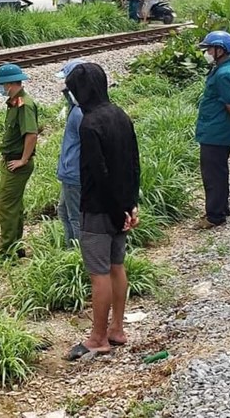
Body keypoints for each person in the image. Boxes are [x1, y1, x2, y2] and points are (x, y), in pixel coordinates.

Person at [63, 62, 140, 360]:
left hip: (98, 209)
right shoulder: (120, 115)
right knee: (117, 266)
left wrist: (113, 210)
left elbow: (98, 173)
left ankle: (97, 338)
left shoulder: (89, 123)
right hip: (122, 206)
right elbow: (134, 163)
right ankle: (117, 329)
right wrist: (129, 205)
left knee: (99, 274)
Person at [195, 32, 230, 229]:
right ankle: (222, 207)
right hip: (219, 128)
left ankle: (214, 216)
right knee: (220, 171)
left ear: (220, 50)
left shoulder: (224, 73)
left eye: (209, 49)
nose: (207, 52)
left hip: (216, 131)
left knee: (212, 174)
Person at [0, 63, 38, 259]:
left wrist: (23, 160)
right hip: (11, 161)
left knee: (7, 206)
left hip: (16, 164)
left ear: (10, 84)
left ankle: (8, 251)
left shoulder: (24, 104)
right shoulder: (15, 102)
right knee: (14, 205)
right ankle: (16, 247)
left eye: (2, 85)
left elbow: (31, 134)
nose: (0, 89)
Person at [55, 60, 85, 247]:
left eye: (67, 80)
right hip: (70, 172)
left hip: (75, 173)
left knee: (75, 217)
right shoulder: (76, 107)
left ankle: (79, 255)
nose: (64, 84)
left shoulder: (80, 112)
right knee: (63, 211)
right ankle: (70, 249)